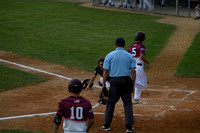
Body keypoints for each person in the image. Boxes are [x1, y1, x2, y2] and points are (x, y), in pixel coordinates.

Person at [100, 37, 136, 133]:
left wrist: (103, 84)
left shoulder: (109, 55)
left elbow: (106, 71)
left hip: (114, 81)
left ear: (116, 44)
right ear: (124, 45)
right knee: (127, 103)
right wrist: (133, 83)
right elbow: (133, 70)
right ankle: (128, 127)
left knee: (111, 103)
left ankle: (107, 125)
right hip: (126, 81)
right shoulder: (129, 56)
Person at [127, 31, 150, 104]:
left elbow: (128, 57)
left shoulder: (131, 46)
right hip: (138, 67)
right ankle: (130, 83)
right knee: (143, 85)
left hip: (131, 68)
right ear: (143, 39)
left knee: (138, 84)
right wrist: (148, 62)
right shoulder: (141, 46)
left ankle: (136, 99)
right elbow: (141, 56)